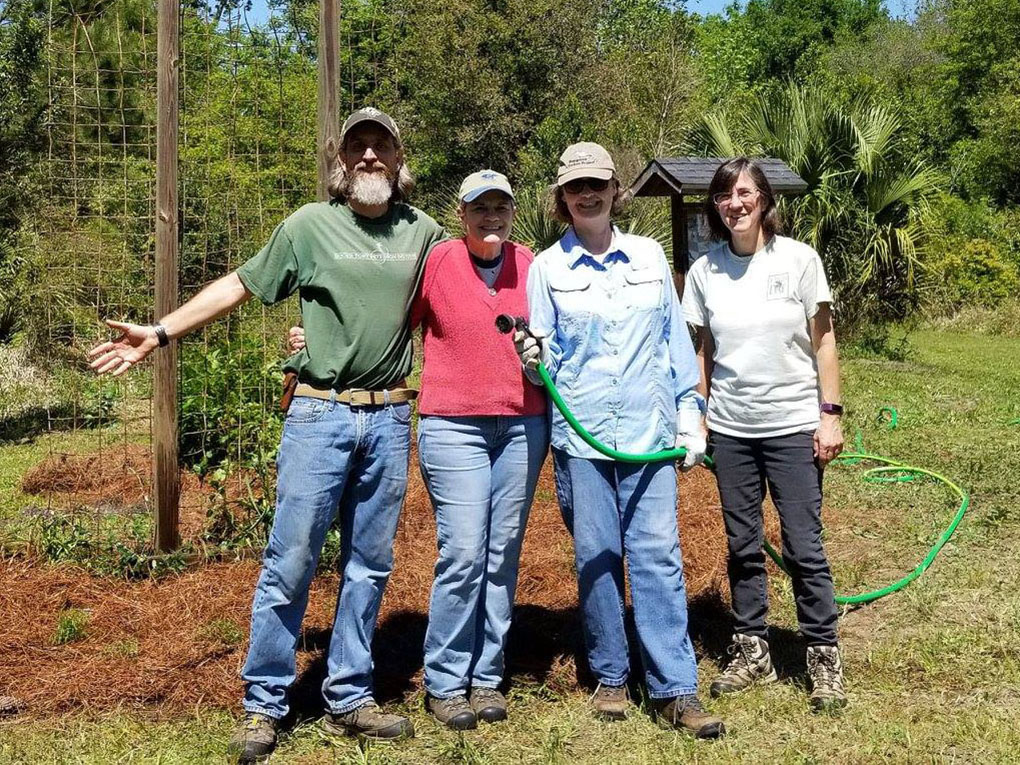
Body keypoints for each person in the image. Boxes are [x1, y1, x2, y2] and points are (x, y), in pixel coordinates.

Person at [87, 107, 445, 761]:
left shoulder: (424, 233)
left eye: (381, 146)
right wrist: (160, 332)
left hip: (391, 417)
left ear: (399, 161)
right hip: (319, 414)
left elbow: (469, 291)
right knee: (291, 564)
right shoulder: (308, 226)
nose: (369, 157)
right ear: (341, 163)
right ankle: (264, 704)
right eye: (357, 147)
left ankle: (349, 695)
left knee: (368, 568)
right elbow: (240, 285)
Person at [290, 170, 549, 730]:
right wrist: (315, 334)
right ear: (461, 215)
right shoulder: (437, 261)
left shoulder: (532, 266)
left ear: (512, 212)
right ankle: (447, 680)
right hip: (454, 425)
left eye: (501, 207)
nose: (491, 218)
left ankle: (487, 674)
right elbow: (381, 318)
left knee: (502, 552)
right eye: (479, 208)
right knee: (463, 553)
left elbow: (559, 335)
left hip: (522, 424)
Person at [513, 142, 725, 738]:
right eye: (576, 187)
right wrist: (529, 358)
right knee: (597, 558)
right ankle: (609, 673)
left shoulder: (650, 256)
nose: (588, 194)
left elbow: (673, 344)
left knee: (657, 558)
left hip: (648, 437)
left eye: (598, 184)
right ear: (562, 198)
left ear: (614, 190)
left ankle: (675, 687)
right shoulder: (548, 270)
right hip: (581, 441)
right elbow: (543, 363)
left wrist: (692, 416)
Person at [680, 156, 847, 712]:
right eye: (725, 196)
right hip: (732, 430)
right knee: (742, 545)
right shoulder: (705, 271)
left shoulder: (799, 261)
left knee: (803, 543)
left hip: (794, 426)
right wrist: (698, 417)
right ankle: (752, 648)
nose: (736, 203)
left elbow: (823, 342)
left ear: (764, 199)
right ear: (716, 207)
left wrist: (830, 413)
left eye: (745, 192)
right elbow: (702, 352)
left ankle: (822, 651)